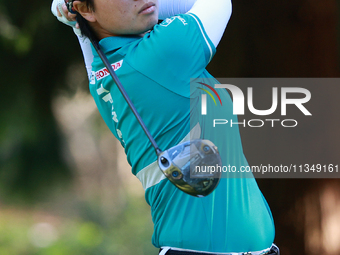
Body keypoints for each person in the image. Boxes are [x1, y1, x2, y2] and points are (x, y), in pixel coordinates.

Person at [51, 0, 280, 254]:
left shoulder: (105, 77)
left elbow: (92, 44)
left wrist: (77, 22)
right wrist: (76, 17)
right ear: (86, 9)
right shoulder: (161, 54)